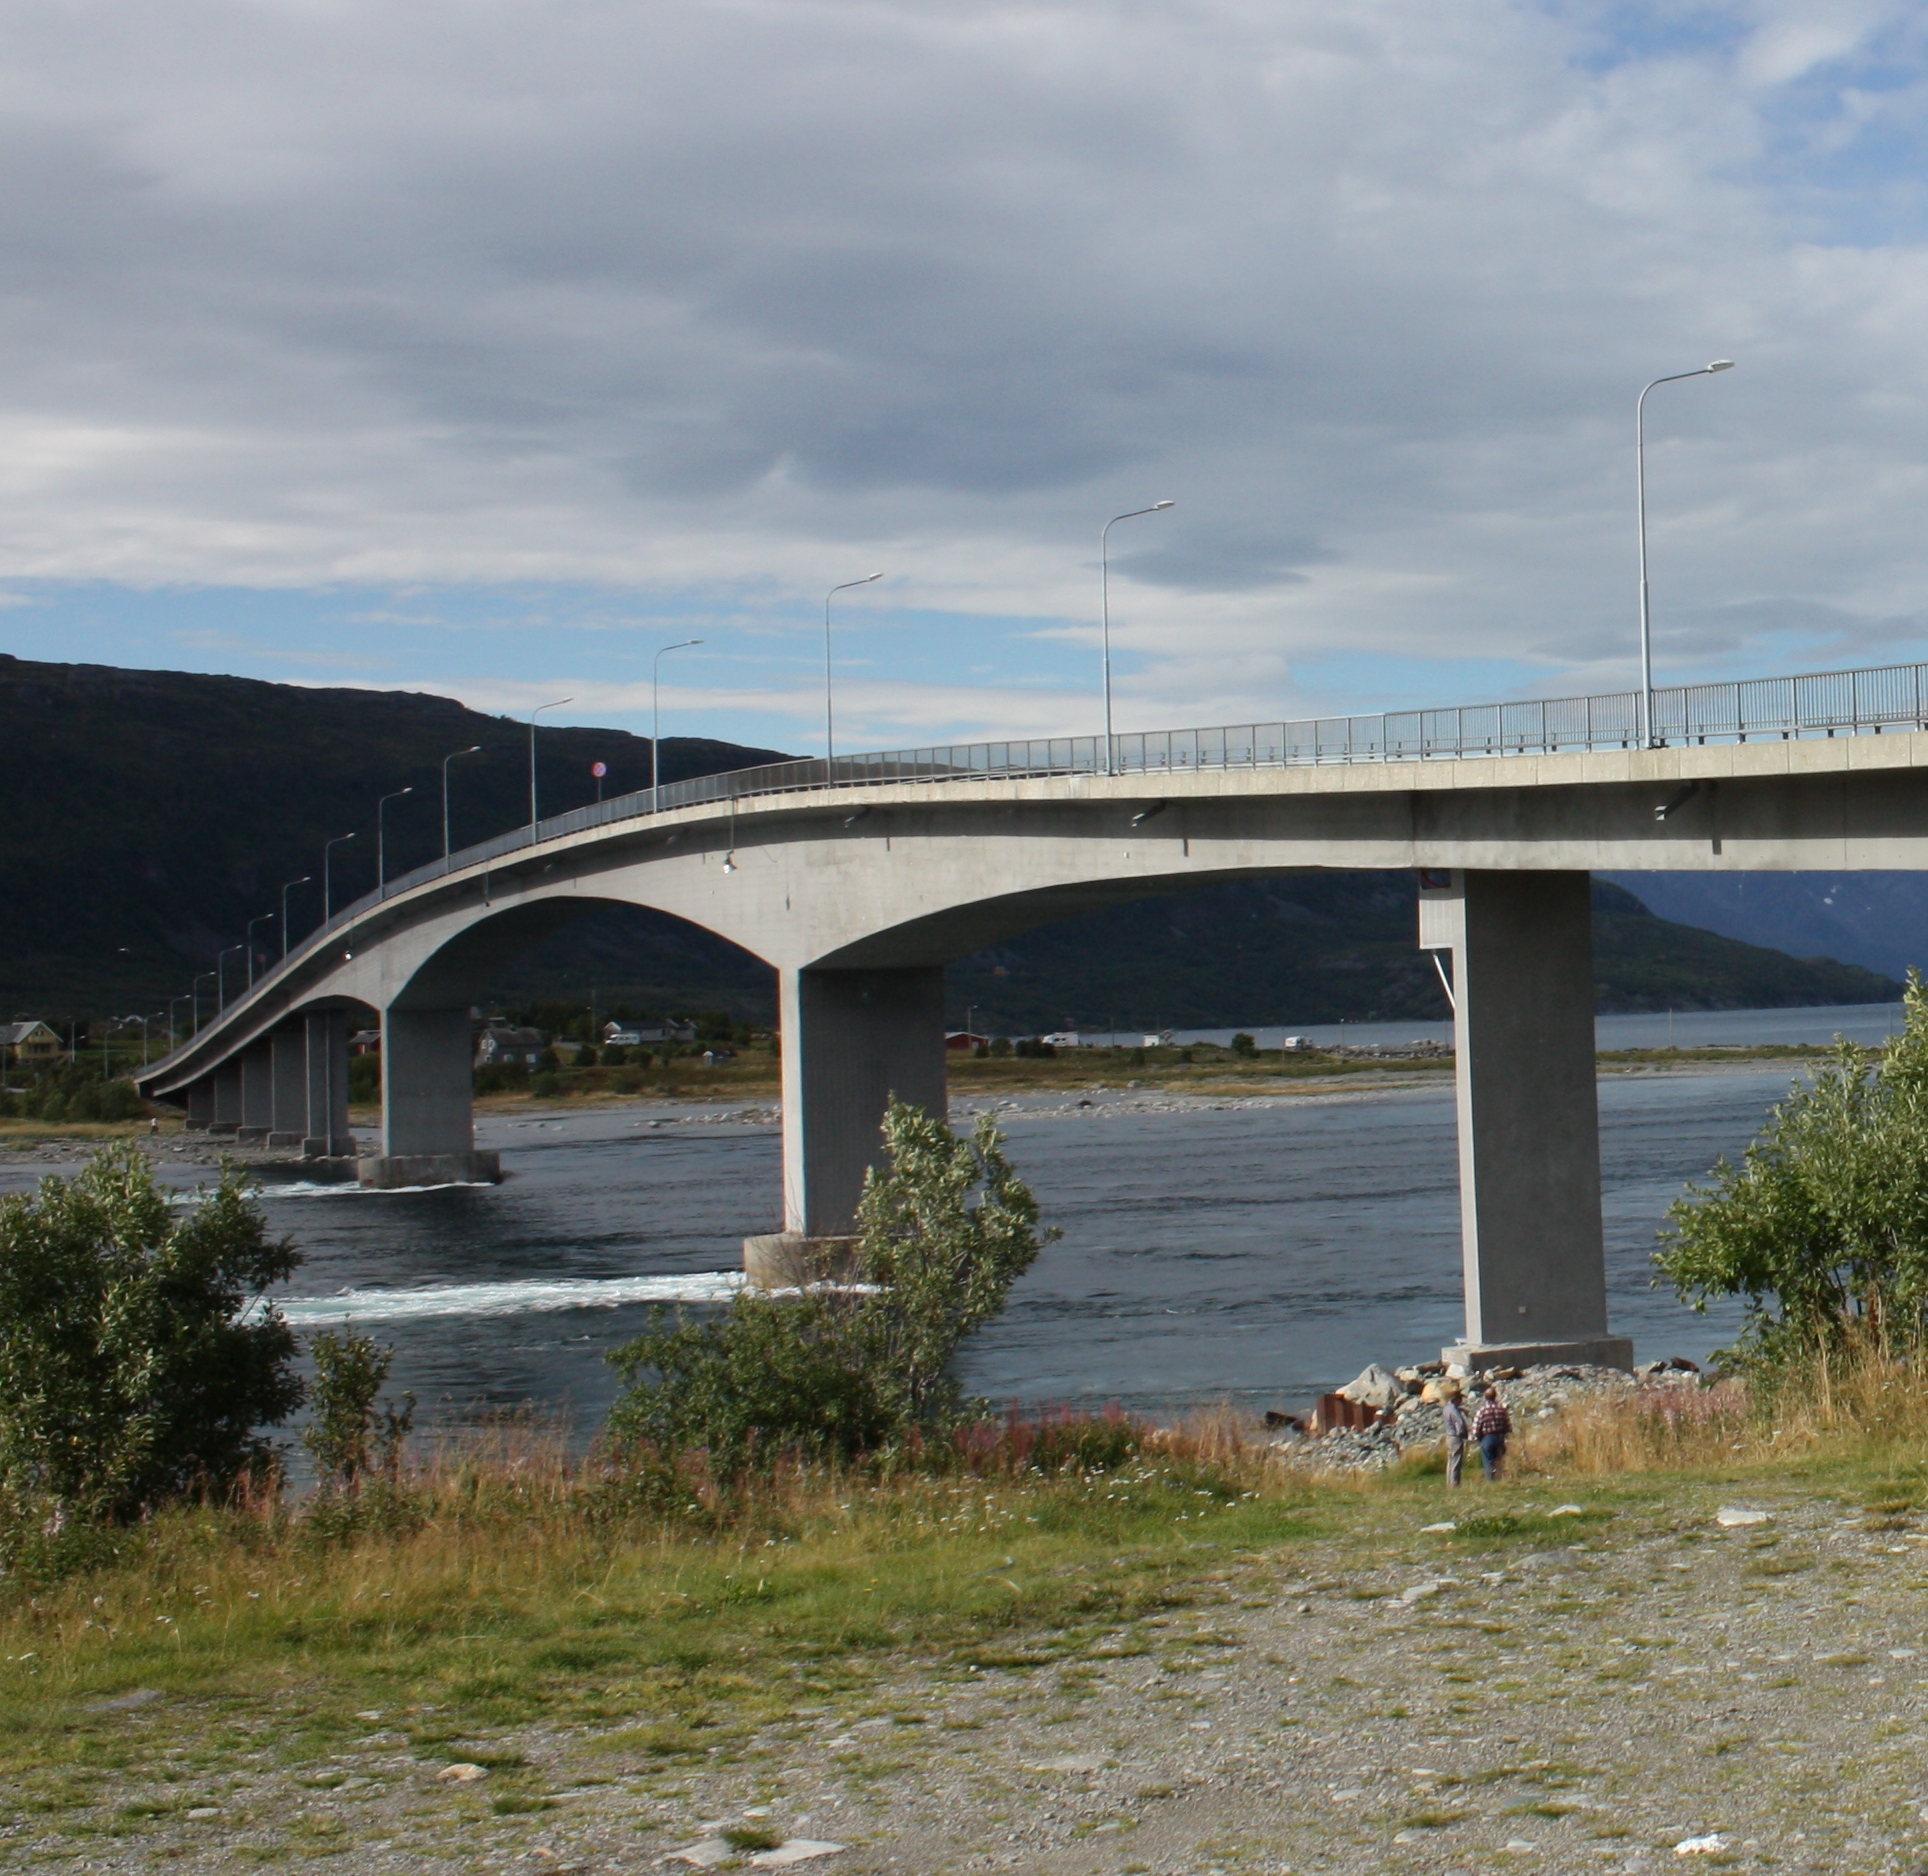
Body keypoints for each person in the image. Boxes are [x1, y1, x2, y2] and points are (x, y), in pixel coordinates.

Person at [1471, 1384, 1511, 1482]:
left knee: (1488, 1460)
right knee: (1499, 1460)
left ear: (1485, 1397)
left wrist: (1476, 1436)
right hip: (1500, 1437)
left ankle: (1490, 1481)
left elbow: (1476, 1428)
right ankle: (1499, 1479)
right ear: (1495, 1396)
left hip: (1487, 1438)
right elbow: (1508, 1426)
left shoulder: (1482, 1411)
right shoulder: (1501, 1410)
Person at [1440, 1381, 1468, 1488]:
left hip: (1448, 1436)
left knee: (1450, 1461)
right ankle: (1455, 1484)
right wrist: (1465, 1434)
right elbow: (1460, 1425)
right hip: (1455, 1437)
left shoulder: (1446, 1408)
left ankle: (1449, 1482)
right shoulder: (1454, 1411)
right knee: (1456, 1461)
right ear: (1455, 1399)